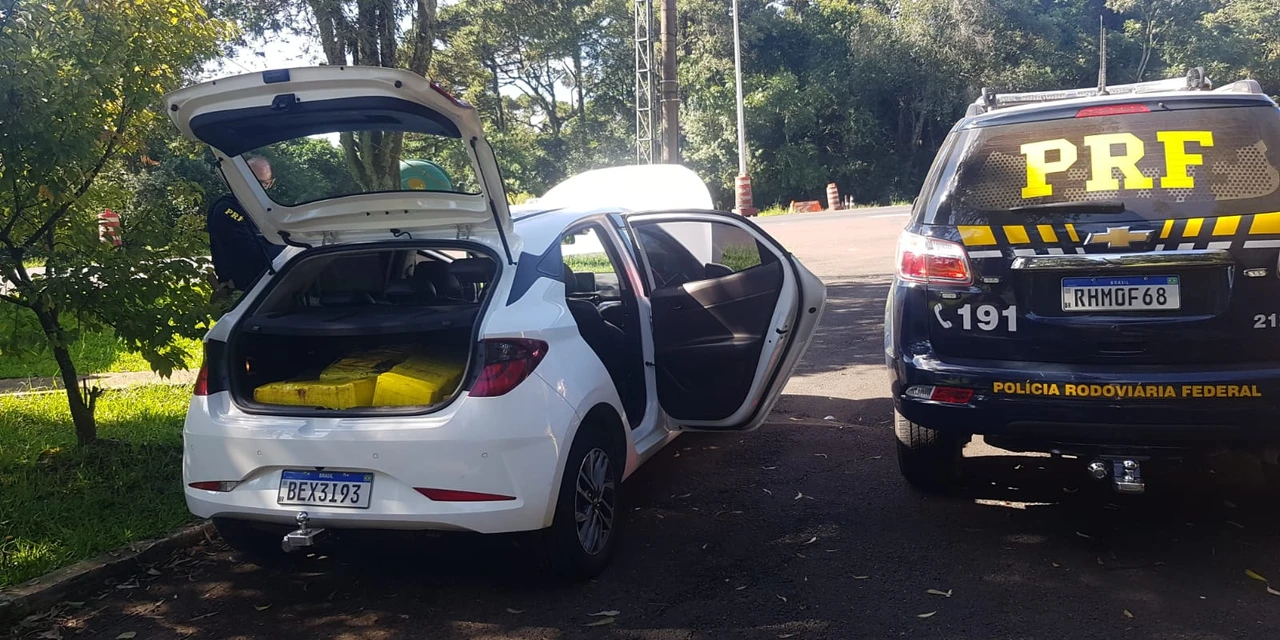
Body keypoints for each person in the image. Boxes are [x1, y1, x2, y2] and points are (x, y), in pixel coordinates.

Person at [206, 156, 283, 296]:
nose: (256, 189)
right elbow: (251, 252)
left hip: (273, 286)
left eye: (263, 183)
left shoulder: (271, 209)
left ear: (271, 183)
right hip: (242, 294)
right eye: (251, 182)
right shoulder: (227, 208)